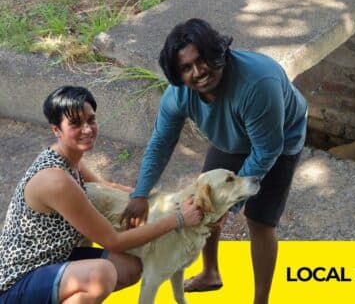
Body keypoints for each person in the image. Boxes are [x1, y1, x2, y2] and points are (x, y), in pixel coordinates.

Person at [120, 18, 308, 304]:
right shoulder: (179, 94)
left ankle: (261, 300)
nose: (198, 72)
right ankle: (210, 273)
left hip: (279, 140)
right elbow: (160, 143)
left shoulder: (258, 82)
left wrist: (232, 202)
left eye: (202, 60)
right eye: (186, 68)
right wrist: (140, 193)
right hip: (230, 138)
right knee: (205, 202)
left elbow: (266, 149)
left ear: (216, 51)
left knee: (260, 220)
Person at [0, 86, 204, 304]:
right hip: (17, 282)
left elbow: (108, 187)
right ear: (56, 130)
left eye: (91, 120)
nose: (87, 129)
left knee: (130, 267)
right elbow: (114, 241)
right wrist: (178, 219)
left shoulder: (68, 158)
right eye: (76, 124)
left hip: (54, 259)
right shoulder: (56, 181)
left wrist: (164, 201)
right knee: (102, 274)